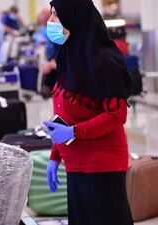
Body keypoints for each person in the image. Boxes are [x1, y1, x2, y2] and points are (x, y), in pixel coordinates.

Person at [42, 1, 133, 225]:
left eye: (56, 15)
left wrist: (74, 132)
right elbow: (66, 116)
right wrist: (56, 155)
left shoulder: (103, 61)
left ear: (75, 18)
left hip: (101, 164)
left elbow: (116, 115)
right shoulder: (68, 57)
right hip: (75, 163)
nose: (51, 21)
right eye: (52, 14)